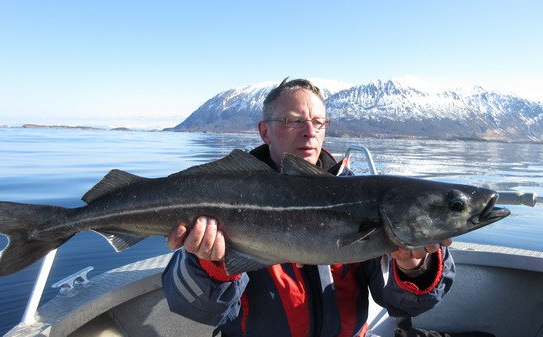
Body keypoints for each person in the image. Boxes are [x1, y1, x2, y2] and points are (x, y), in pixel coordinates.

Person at [162, 78, 455, 337]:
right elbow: (194, 307)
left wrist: (414, 267)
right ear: (265, 132)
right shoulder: (221, 196)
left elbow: (401, 304)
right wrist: (211, 266)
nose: (309, 132)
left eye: (318, 122)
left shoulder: (364, 199)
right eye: (293, 121)